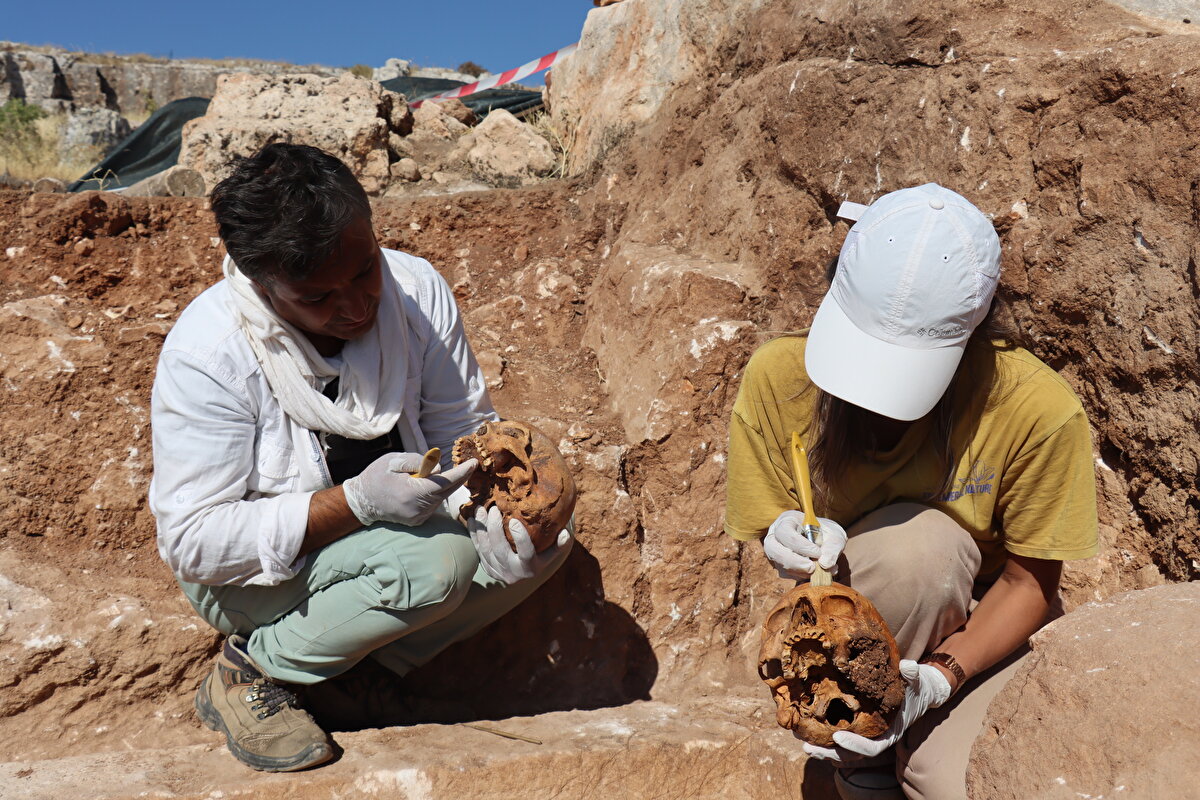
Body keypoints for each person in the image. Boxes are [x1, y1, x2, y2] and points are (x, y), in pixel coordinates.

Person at [149, 143, 572, 772]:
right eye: (318, 297)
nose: (354, 306)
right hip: (250, 576)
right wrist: (357, 502)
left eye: (364, 270)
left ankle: (343, 678)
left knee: (542, 538)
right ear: (262, 283)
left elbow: (461, 429)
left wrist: (494, 511)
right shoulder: (210, 355)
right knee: (434, 565)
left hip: (386, 541)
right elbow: (195, 543)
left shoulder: (415, 292)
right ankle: (246, 673)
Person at [724, 183, 1098, 800]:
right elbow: (811, 573)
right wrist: (780, 535)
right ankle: (861, 762)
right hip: (872, 622)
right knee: (910, 559)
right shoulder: (780, 380)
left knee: (949, 781)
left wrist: (938, 679)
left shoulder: (1036, 410)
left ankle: (909, 745)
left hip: (989, 635)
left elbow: (1030, 585)